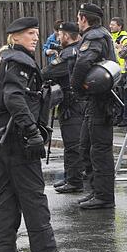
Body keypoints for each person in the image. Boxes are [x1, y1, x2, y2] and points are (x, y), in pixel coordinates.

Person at [0, 17, 75, 252]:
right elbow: (13, 98)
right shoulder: (18, 61)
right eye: (29, 34)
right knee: (34, 198)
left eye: (36, 33)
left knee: (6, 200)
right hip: (16, 139)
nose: (35, 38)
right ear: (15, 37)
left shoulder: (5, 59)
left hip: (1, 137)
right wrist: (31, 130)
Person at [71, 2, 119, 210]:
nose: (77, 22)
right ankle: (96, 191)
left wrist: (76, 88)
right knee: (87, 147)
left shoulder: (94, 36)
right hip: (96, 100)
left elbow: (83, 63)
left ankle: (104, 196)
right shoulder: (101, 34)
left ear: (84, 19)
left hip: (99, 101)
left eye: (78, 18)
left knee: (99, 150)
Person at [43, 22, 86, 194]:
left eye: (60, 35)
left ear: (67, 36)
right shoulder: (81, 49)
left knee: (72, 143)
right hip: (79, 102)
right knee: (78, 142)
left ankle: (74, 180)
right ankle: (73, 177)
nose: (58, 38)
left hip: (71, 104)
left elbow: (47, 73)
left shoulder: (68, 54)